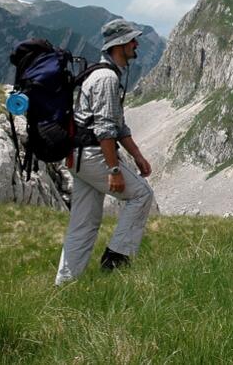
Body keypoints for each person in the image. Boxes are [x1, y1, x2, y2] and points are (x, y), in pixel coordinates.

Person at [55, 19, 154, 285]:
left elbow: (118, 125)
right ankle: (116, 260)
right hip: (94, 156)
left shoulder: (97, 73)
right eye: (133, 40)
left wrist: (137, 156)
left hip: (78, 157)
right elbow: (106, 129)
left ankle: (65, 285)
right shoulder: (107, 78)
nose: (137, 44)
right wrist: (113, 170)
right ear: (120, 45)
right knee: (142, 195)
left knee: (83, 223)